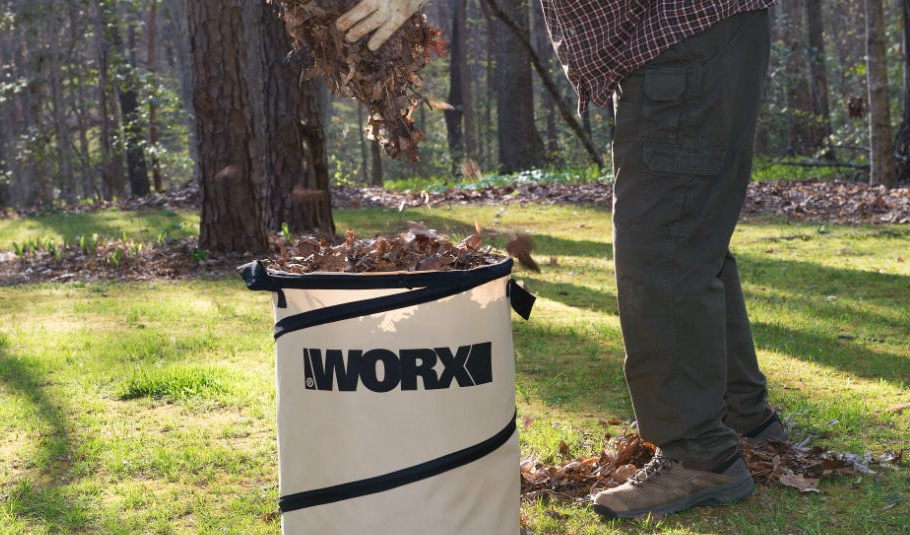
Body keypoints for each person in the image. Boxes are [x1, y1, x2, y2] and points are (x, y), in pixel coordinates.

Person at [337, 0, 788, 521]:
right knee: (690, 235)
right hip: (706, 36)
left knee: (661, 252)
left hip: (682, 38)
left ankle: (699, 454)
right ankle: (741, 416)